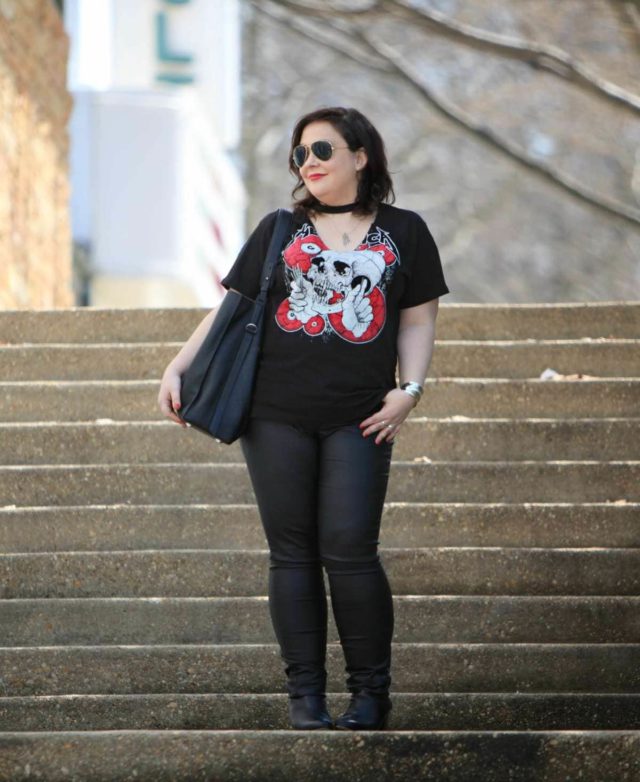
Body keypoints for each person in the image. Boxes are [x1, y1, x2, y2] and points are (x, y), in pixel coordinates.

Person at [158, 106, 450, 731]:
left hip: (362, 416)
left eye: (321, 150)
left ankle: (370, 695)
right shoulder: (279, 228)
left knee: (350, 550)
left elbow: (418, 319)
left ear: (360, 156)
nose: (308, 164)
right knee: (291, 554)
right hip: (274, 414)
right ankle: (306, 700)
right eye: (299, 155)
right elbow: (232, 306)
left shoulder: (406, 230)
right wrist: (177, 367)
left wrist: (412, 390)